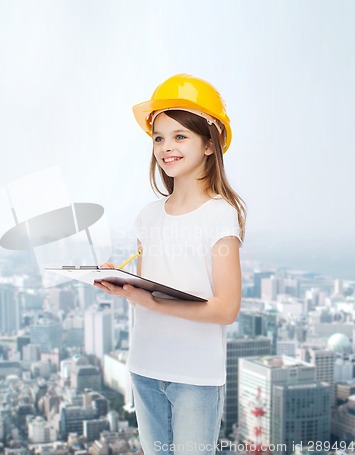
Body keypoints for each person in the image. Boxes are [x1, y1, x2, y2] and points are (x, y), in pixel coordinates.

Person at [94, 74, 246, 454]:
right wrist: (122, 282)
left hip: (194, 375)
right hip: (144, 366)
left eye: (180, 136)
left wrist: (152, 302)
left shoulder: (220, 216)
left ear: (209, 144)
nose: (166, 147)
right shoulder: (148, 216)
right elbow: (150, 288)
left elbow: (226, 309)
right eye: (159, 137)